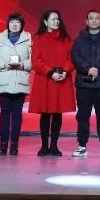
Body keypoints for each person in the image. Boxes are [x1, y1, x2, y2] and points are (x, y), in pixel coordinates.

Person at [70, 10, 100, 157]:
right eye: (91, 18)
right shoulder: (79, 40)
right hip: (84, 83)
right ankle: (82, 145)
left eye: (97, 18)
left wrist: (98, 69)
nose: (94, 21)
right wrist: (88, 69)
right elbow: (75, 57)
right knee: (83, 116)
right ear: (87, 21)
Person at [31, 10, 74, 156]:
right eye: (53, 19)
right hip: (45, 79)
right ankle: (44, 146)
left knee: (57, 113)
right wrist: (50, 72)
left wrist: (65, 71)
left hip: (61, 78)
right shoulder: (38, 38)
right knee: (45, 113)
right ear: (45, 22)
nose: (56, 21)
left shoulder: (65, 39)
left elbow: (71, 58)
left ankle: (54, 146)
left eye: (57, 19)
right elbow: (36, 61)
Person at [0, 13, 32, 155]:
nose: (14, 25)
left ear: (22, 25)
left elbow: (33, 59)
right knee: (4, 114)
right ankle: (3, 144)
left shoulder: (28, 39)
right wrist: (4, 64)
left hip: (20, 81)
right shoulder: (0, 39)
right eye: (12, 22)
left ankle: (14, 145)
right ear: (8, 24)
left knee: (17, 115)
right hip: (4, 81)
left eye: (17, 22)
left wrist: (24, 64)